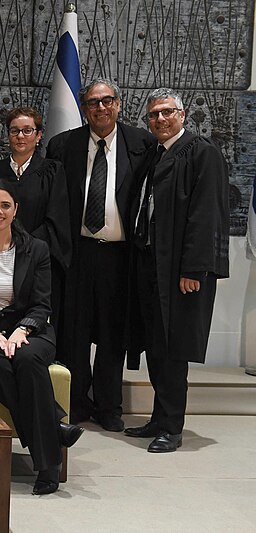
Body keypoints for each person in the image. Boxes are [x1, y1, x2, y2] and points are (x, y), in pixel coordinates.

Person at [0, 180, 83, 495]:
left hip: (30, 327)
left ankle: (47, 466)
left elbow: (42, 304)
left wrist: (21, 330)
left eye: (5, 205)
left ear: (15, 210)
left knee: (26, 357)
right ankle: (52, 432)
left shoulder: (36, 248)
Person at [46, 78, 155, 430]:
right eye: (93, 102)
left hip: (121, 255)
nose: (101, 108)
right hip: (77, 253)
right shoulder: (64, 145)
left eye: (108, 101)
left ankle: (109, 406)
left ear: (119, 105)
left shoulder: (142, 144)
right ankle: (77, 401)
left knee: (113, 332)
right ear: (83, 108)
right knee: (74, 332)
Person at [124, 88, 229, 452]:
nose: (160, 120)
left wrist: (194, 269)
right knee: (156, 345)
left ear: (183, 115)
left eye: (167, 112)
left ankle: (172, 426)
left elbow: (206, 216)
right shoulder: (154, 155)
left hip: (181, 273)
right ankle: (158, 417)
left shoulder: (202, 153)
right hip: (152, 265)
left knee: (174, 350)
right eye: (153, 115)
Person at [0, 107, 71, 281]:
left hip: (39, 261)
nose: (20, 136)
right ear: (8, 135)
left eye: (27, 130)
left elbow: (57, 219)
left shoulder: (53, 171)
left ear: (39, 135)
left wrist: (24, 246)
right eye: (14, 131)